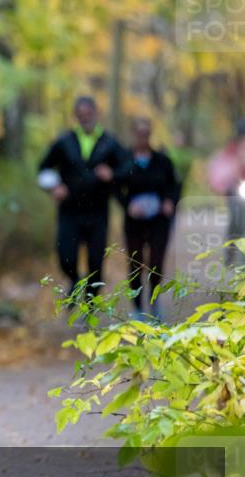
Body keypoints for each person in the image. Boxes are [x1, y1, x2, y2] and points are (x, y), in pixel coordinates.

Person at [37, 96, 128, 301]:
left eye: (88, 114)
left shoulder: (110, 143)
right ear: (75, 116)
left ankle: (90, 304)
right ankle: (75, 280)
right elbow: (43, 169)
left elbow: (128, 168)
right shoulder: (64, 142)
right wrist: (53, 187)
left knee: (96, 262)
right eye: (81, 115)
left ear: (96, 114)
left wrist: (112, 173)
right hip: (69, 211)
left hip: (98, 211)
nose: (85, 118)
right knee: (66, 257)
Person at [116, 117, 179, 320]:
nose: (143, 137)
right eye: (139, 133)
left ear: (150, 134)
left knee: (156, 263)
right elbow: (116, 188)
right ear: (133, 134)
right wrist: (128, 206)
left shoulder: (162, 160)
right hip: (134, 222)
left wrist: (169, 201)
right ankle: (137, 309)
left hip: (159, 221)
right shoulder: (124, 160)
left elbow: (175, 185)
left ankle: (155, 305)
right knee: (135, 263)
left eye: (146, 133)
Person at [206, 119, 245, 266]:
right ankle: (230, 253)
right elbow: (222, 167)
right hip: (235, 189)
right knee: (235, 222)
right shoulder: (231, 150)